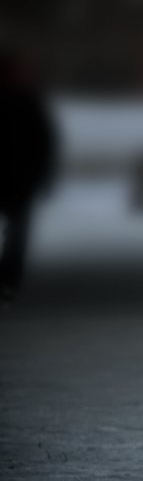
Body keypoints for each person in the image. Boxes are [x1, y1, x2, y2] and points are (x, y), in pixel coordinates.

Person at [0, 50, 58, 307]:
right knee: (18, 234)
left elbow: (44, 144)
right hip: (19, 178)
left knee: (18, 235)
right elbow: (44, 143)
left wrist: (43, 176)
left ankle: (7, 282)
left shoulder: (29, 102)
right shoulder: (28, 101)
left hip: (21, 180)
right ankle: (8, 282)